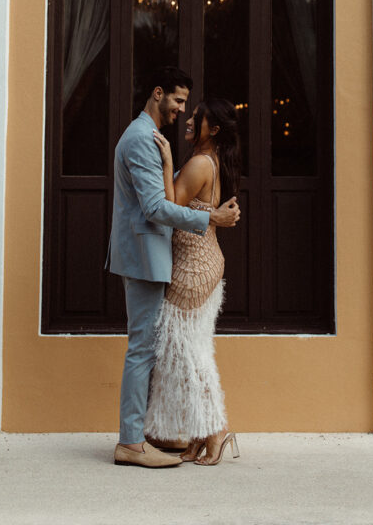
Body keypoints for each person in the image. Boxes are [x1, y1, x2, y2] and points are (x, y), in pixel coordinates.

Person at [107, 68, 241, 469]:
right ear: (157, 93)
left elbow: (165, 203)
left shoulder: (181, 152)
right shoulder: (143, 139)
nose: (183, 111)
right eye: (179, 102)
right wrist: (210, 217)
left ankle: (183, 432)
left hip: (185, 264)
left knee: (174, 349)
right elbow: (156, 207)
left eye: (190, 108)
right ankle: (140, 441)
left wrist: (205, 212)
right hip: (151, 258)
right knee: (156, 349)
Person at [145, 97, 241, 466]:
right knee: (189, 348)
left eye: (196, 118)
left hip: (193, 267)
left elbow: (169, 207)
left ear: (212, 129)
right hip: (203, 262)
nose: (187, 120)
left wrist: (168, 162)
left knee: (184, 351)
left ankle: (216, 431)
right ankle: (200, 434)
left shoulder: (200, 162)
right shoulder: (208, 159)